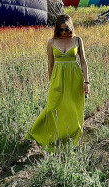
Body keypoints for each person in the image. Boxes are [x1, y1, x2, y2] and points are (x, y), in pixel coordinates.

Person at [27, 14, 89, 151]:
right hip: (58, 78)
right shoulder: (51, 42)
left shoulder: (78, 40)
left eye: (67, 29)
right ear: (57, 29)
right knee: (51, 107)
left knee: (72, 108)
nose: (64, 32)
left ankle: (70, 137)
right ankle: (37, 133)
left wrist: (86, 82)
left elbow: (83, 62)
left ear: (71, 27)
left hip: (75, 78)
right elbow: (50, 64)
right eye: (61, 30)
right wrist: (51, 82)